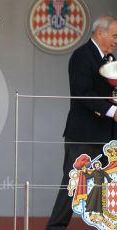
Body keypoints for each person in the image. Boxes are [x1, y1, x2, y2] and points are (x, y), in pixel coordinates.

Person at [46, 15, 117, 229]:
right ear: (100, 33)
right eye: (114, 35)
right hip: (84, 134)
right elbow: (82, 93)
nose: (116, 40)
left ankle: (106, 224)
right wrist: (113, 110)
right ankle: (55, 227)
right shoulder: (81, 56)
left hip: (108, 134)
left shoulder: (109, 58)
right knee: (74, 183)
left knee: (107, 184)